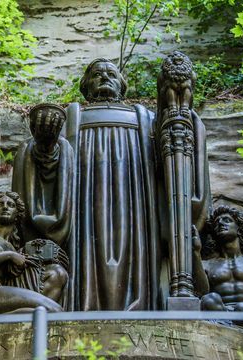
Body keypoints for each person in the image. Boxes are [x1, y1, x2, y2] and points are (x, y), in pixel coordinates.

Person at [13, 58, 211, 311]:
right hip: (83, 211)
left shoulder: (146, 120)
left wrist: (183, 117)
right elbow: (45, 164)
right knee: (84, 257)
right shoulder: (71, 121)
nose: (105, 77)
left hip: (138, 208)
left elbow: (176, 153)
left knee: (137, 260)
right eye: (97, 74)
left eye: (111, 73)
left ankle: (142, 309)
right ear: (85, 86)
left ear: (122, 84)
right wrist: (45, 144)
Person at [193, 206, 243, 313]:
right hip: (223, 317)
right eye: (217, 223)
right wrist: (196, 252)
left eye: (227, 220)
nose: (220, 223)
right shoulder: (207, 265)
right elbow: (201, 294)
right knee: (209, 299)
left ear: (239, 228)